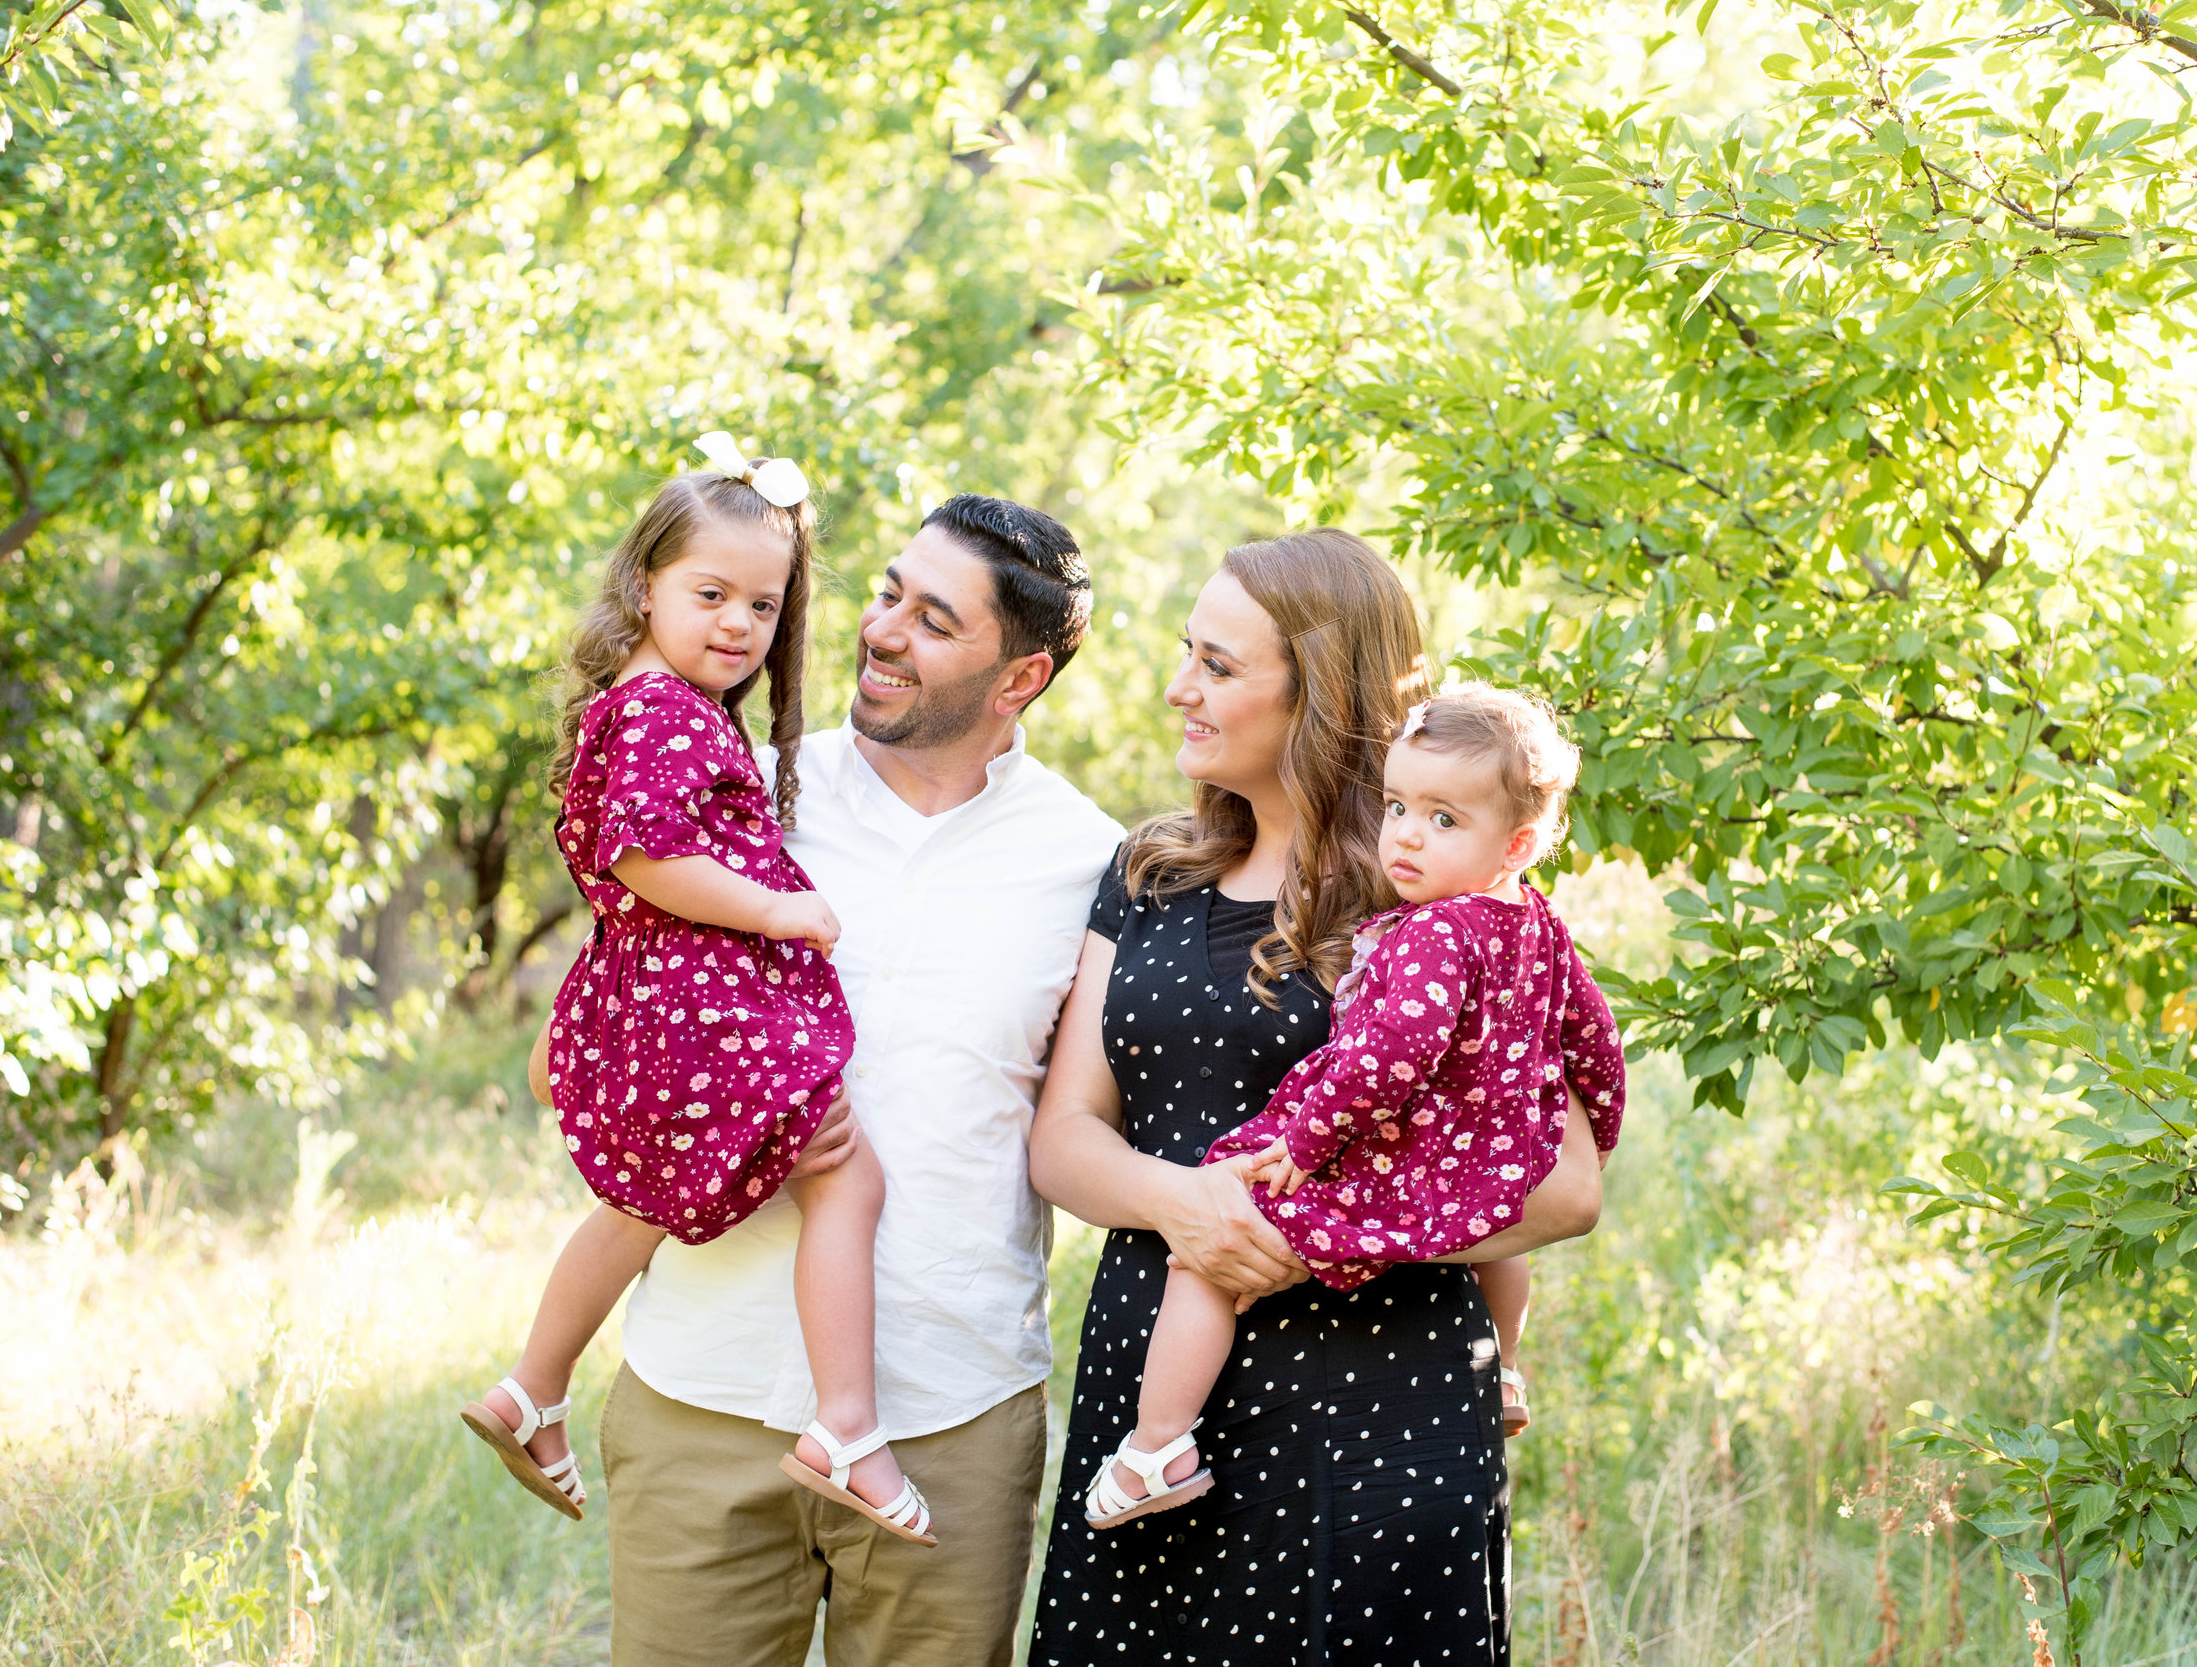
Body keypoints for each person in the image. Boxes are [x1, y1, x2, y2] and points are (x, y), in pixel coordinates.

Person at [532, 491, 1123, 1667]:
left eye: (934, 619)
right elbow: (572, 1060)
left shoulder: (1090, 861)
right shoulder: (736, 794)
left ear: (1020, 677)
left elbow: (1085, 1129)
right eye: (887, 592)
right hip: (701, 1388)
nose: (882, 629)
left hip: (951, 1415)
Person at [1027, 531, 1609, 1667]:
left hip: (1373, 1413)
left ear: (1322, 693)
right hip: (1155, 1406)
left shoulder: (1452, 904)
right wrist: (1190, 1205)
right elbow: (1063, 1139)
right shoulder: (1150, 870)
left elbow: (1567, 1186)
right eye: (1184, 653)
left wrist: (1317, 1230)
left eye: (1218, 664)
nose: (1176, 688)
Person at [462, 436, 927, 1543]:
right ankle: (848, 1427)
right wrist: (778, 909)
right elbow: (641, 859)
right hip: (710, 1014)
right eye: (709, 593)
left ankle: (533, 1385)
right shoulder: (667, 711)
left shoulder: (634, 705)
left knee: (638, 1205)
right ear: (643, 586)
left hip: (662, 1004)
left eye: (762, 608)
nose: (736, 624)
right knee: (846, 1181)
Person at [1081, 685, 1627, 1527]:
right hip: (1496, 1145)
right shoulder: (1535, 923)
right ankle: (1508, 1362)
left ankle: (1157, 1444)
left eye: (1445, 820)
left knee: (1210, 1250)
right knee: (1492, 1230)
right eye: (1401, 805)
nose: (1406, 833)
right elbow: (1591, 1028)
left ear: (1517, 843)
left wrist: (1310, 1133)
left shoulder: (1437, 931)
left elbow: (1390, 1052)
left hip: (1398, 1140)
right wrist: (1593, 1106)